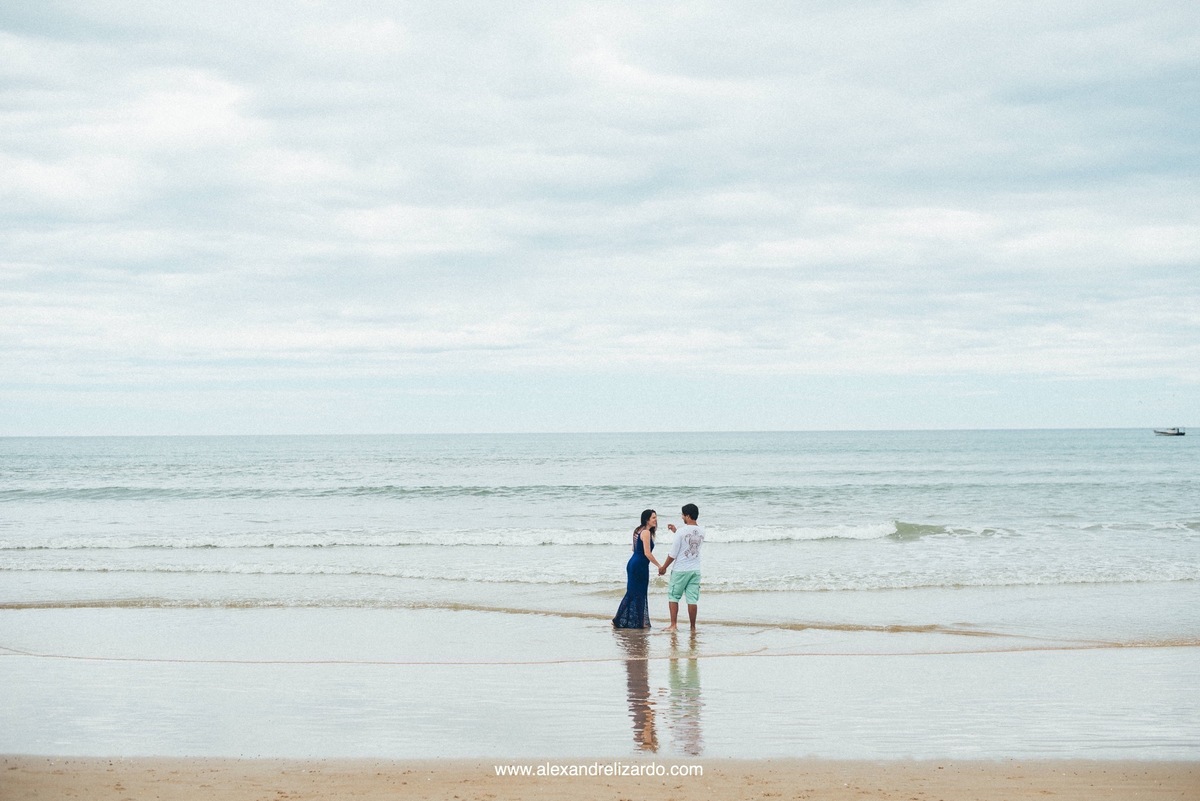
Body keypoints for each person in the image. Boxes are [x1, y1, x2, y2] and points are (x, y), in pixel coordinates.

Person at [613, 509, 663, 629]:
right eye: (653, 518)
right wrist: (659, 566)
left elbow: (633, 549)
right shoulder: (645, 532)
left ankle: (637, 621)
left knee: (634, 593)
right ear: (647, 519)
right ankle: (620, 620)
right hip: (639, 565)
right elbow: (647, 553)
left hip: (633, 563)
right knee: (637, 593)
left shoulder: (638, 530)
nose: (656, 520)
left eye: (656, 517)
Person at [659, 503, 704, 631]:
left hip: (680, 570)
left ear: (688, 516)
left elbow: (673, 554)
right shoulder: (702, 531)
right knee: (692, 599)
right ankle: (693, 627)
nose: (682, 517)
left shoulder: (681, 532)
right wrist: (675, 531)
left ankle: (673, 625)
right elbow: (689, 540)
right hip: (695, 570)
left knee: (673, 597)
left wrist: (664, 567)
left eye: (683, 515)